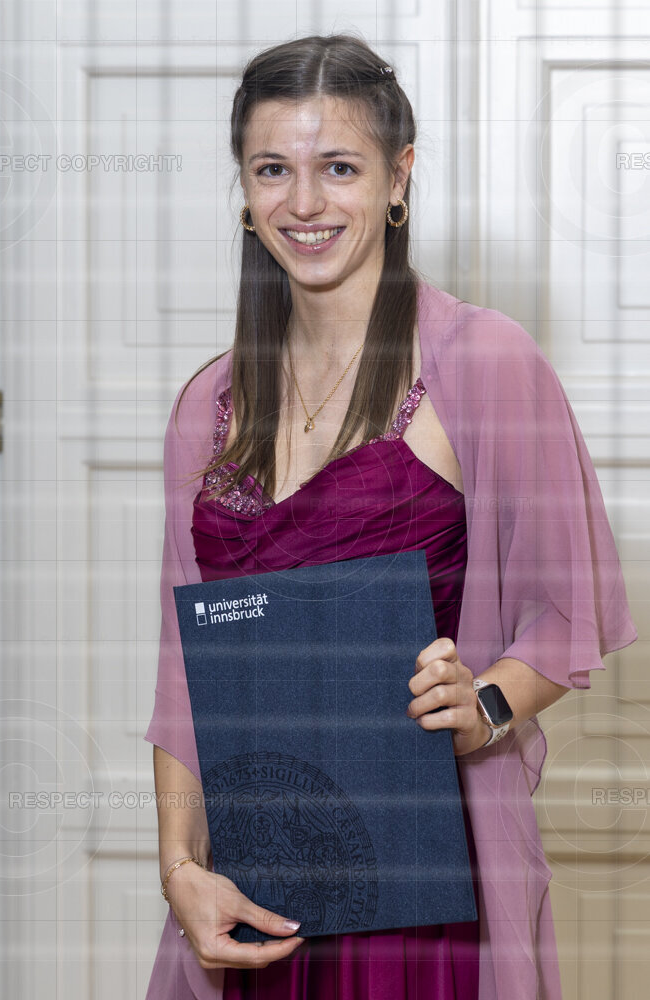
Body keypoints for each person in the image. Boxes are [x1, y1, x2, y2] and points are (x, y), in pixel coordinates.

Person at [143, 33, 638, 1000]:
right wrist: (180, 870)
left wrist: (481, 707)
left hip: (426, 885)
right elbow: (180, 676)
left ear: (398, 176)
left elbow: (567, 614)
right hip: (252, 892)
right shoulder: (207, 404)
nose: (304, 203)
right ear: (243, 187)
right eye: (272, 170)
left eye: (339, 167)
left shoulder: (485, 363)